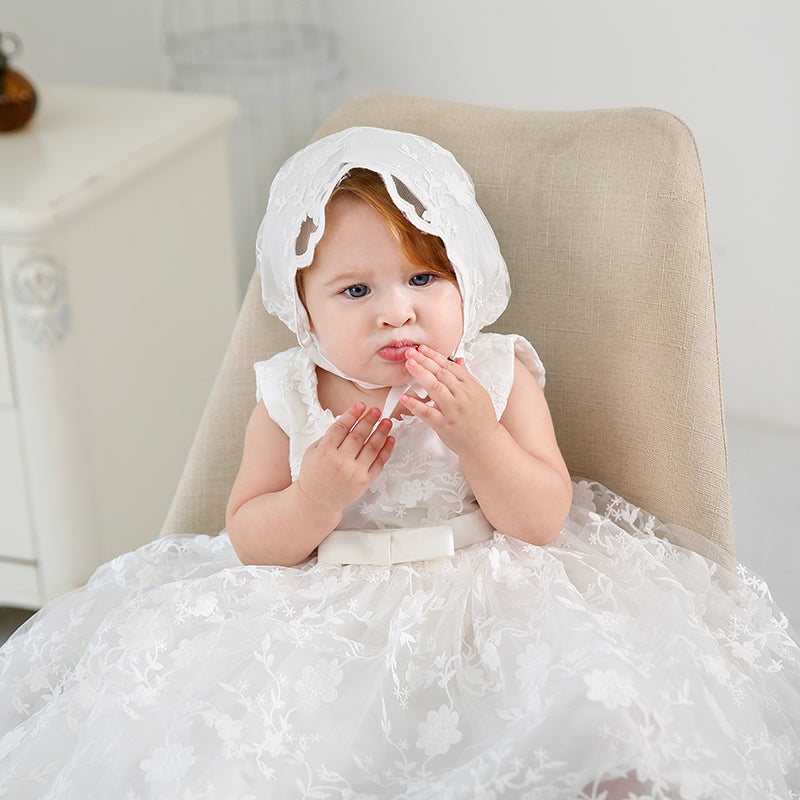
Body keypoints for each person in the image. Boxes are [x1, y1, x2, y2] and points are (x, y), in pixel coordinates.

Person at [1, 127, 798, 799]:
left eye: (423, 277)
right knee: (273, 749)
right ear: (303, 308)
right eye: (355, 291)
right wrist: (314, 497)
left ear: (466, 281)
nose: (396, 310)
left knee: (595, 718)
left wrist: (480, 439)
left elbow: (542, 518)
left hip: (492, 593)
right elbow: (249, 537)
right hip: (327, 614)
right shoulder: (292, 394)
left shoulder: (496, 374)